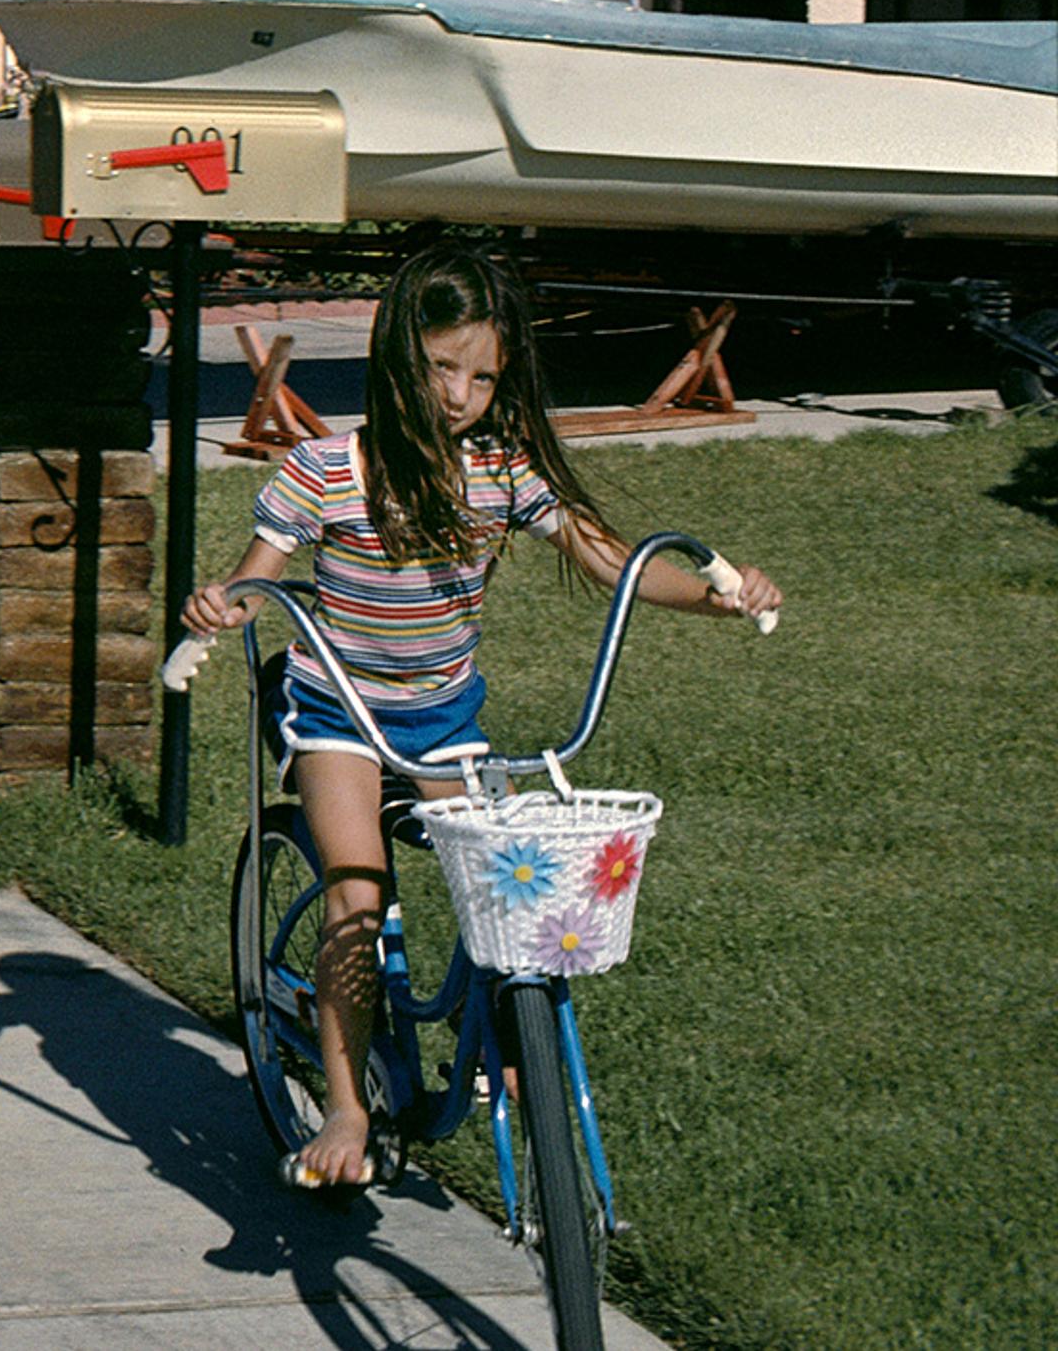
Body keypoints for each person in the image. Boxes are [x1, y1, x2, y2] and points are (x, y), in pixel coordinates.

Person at [179, 241, 782, 1192]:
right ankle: (344, 1105)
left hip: (444, 716)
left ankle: (508, 1048)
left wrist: (715, 596)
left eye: (484, 377)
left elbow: (607, 557)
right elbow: (259, 580)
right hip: (341, 708)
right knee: (358, 894)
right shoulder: (327, 471)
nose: (461, 394)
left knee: (504, 888)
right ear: (397, 358)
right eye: (442, 367)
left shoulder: (503, 474)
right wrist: (227, 603)